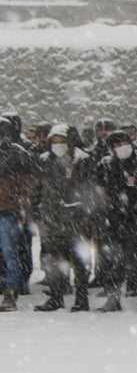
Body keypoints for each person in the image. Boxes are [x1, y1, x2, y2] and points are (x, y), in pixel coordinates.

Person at [30, 128, 100, 312]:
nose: (58, 144)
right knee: (53, 261)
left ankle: (81, 298)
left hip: (76, 219)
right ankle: (56, 297)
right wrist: (34, 212)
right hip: (51, 219)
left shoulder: (82, 160)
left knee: (78, 260)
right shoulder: (44, 160)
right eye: (54, 140)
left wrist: (88, 213)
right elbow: (36, 188)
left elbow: (90, 189)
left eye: (62, 140)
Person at [95, 128, 137, 311]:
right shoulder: (106, 165)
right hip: (115, 219)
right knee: (114, 261)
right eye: (117, 145)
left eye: (124, 144)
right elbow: (101, 191)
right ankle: (113, 298)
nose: (122, 148)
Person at [0, 117, 37, 311]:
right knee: (10, 253)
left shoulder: (17, 154)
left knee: (10, 253)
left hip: (7, 212)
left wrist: (23, 209)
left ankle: (11, 292)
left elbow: (25, 187)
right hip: (7, 211)